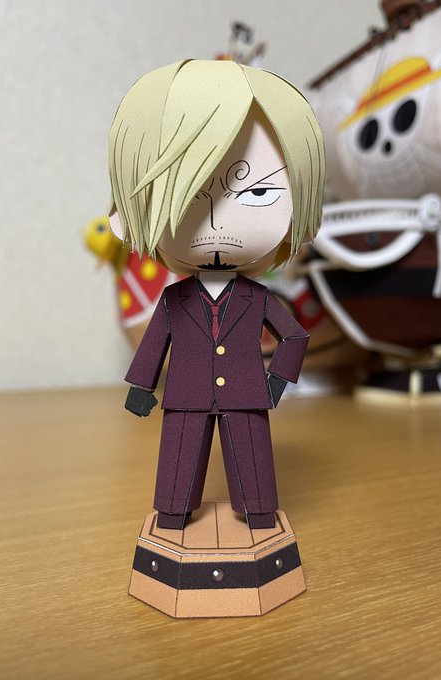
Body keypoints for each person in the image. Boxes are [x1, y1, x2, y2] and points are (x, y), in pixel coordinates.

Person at [108, 59, 325, 529]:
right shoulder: (174, 301)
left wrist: (277, 380)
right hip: (185, 395)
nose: (216, 223)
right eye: (188, 200)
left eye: (258, 193)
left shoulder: (258, 298)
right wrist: (141, 387)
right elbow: (153, 344)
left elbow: (294, 336)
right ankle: (171, 517)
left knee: (253, 467)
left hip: (247, 394)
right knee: (178, 464)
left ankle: (260, 516)